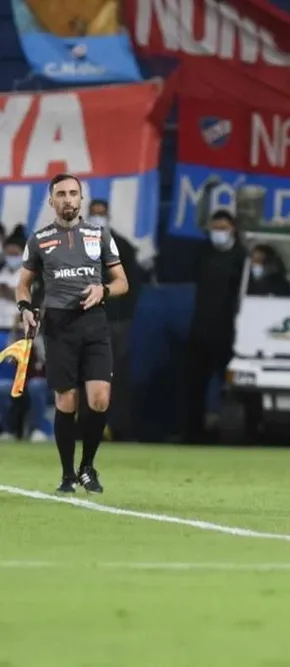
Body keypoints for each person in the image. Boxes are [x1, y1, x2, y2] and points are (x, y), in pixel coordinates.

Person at [17, 173, 129, 493]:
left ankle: (87, 467)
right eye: (61, 194)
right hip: (59, 326)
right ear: (51, 201)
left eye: (73, 193)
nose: (68, 199)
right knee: (66, 401)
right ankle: (67, 475)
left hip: (94, 322)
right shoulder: (39, 239)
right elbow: (23, 283)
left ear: (80, 198)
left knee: (99, 398)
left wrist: (103, 289)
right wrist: (25, 306)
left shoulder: (100, 234)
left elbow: (122, 282)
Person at [85, 199, 146, 441]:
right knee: (85, 374)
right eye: (94, 214)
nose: (98, 218)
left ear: (108, 216)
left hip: (115, 322)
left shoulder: (122, 247)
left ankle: (117, 426)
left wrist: (123, 317)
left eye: (102, 214)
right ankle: (86, 424)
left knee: (115, 375)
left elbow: (133, 286)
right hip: (85, 320)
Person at [183, 210, 245, 443]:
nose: (218, 233)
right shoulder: (203, 253)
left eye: (223, 228)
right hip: (201, 329)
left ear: (233, 230)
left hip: (231, 331)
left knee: (230, 387)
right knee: (194, 384)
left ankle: (230, 433)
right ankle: (193, 433)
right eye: (215, 228)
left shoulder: (241, 256)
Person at [0, 313, 52, 442]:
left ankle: (38, 429)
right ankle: (8, 430)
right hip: (20, 380)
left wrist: (35, 341)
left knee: (35, 386)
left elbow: (46, 362)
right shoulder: (15, 338)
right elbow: (10, 361)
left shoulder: (47, 337)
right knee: (3, 387)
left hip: (44, 381)